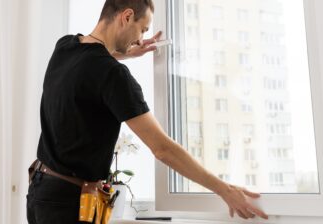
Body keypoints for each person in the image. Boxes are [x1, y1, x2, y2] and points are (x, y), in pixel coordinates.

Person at [26, 0, 269, 223]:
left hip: (40, 190)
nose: (141, 37)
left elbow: (91, 64)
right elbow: (162, 149)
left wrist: (127, 51)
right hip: (68, 204)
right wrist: (224, 189)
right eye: (142, 29)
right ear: (127, 16)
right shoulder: (113, 75)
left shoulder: (66, 46)